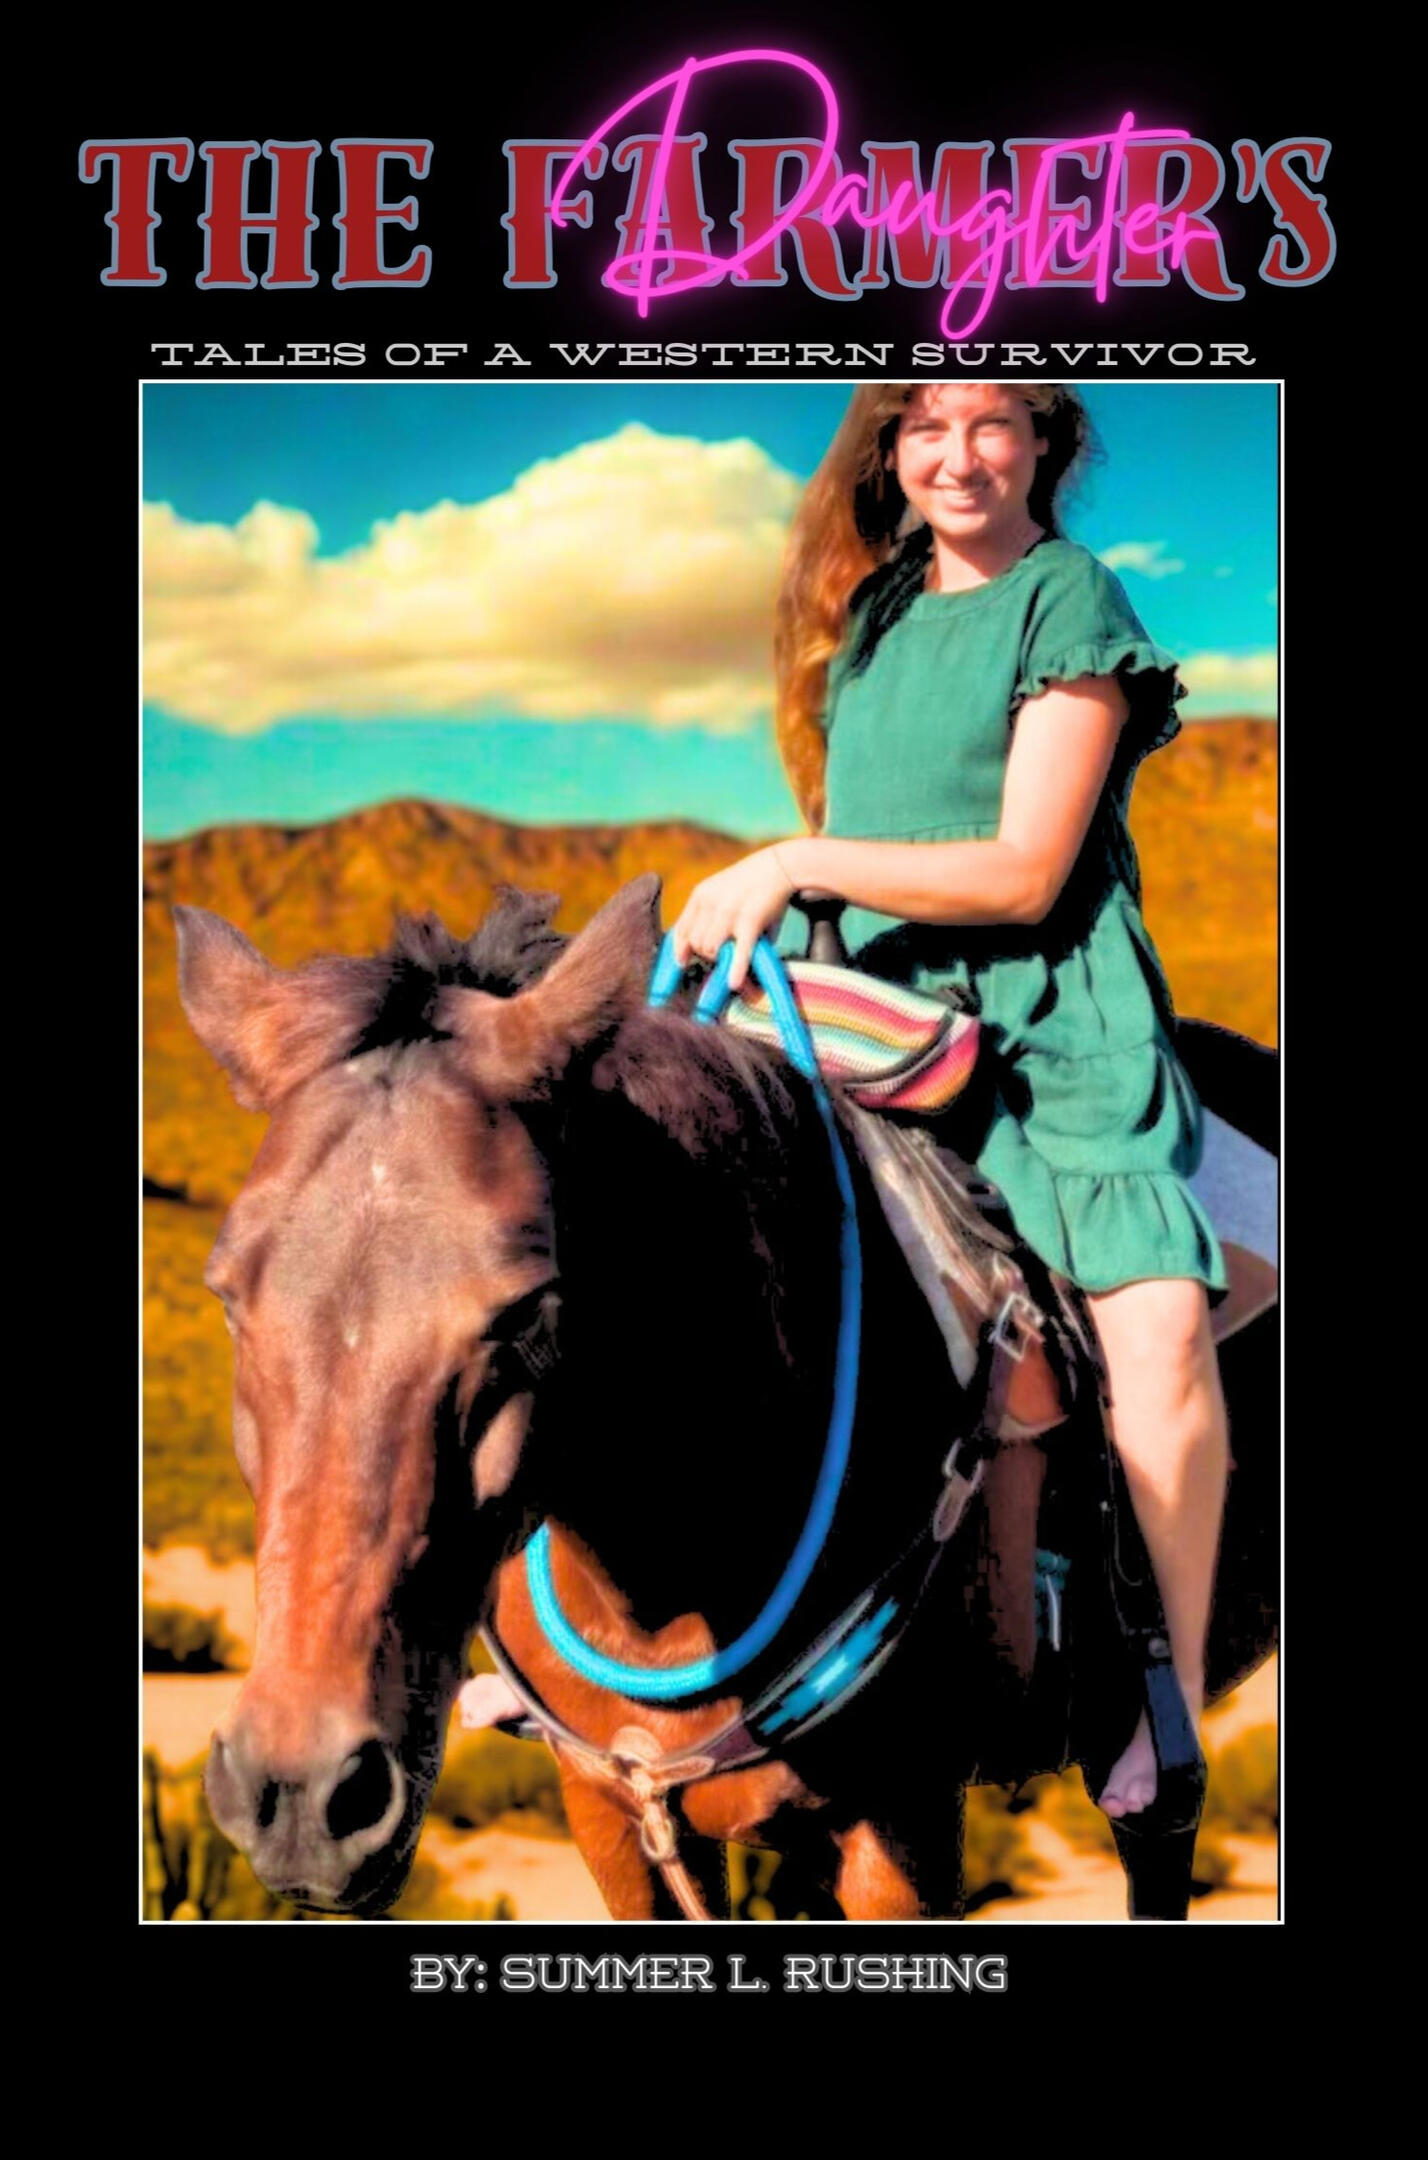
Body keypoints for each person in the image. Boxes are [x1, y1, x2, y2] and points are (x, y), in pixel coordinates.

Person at [668, 381, 1231, 1824]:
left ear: (1047, 442)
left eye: (990, 426)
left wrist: (793, 863)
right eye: (926, 429)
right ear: (894, 451)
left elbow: (1026, 873)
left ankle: (1155, 1694)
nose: (957, 455)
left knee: (1159, 1335)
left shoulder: (1069, 598)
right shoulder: (877, 614)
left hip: (1048, 1018)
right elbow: (875, 842)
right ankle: (605, 1642)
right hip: (876, 1004)